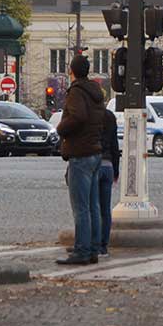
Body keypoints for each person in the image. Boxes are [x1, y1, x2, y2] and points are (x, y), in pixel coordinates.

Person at [55, 55, 106, 266]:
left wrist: (61, 128)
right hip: (94, 151)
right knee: (93, 205)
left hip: (80, 153)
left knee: (81, 207)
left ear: (72, 71)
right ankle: (93, 248)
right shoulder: (96, 93)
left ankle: (82, 251)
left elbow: (78, 117)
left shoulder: (76, 92)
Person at [97, 108, 121, 258]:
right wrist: (116, 170)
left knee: (91, 207)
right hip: (108, 165)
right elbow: (115, 145)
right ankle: (103, 245)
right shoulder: (110, 116)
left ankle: (91, 243)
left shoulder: (90, 114)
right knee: (105, 209)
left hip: (93, 162)